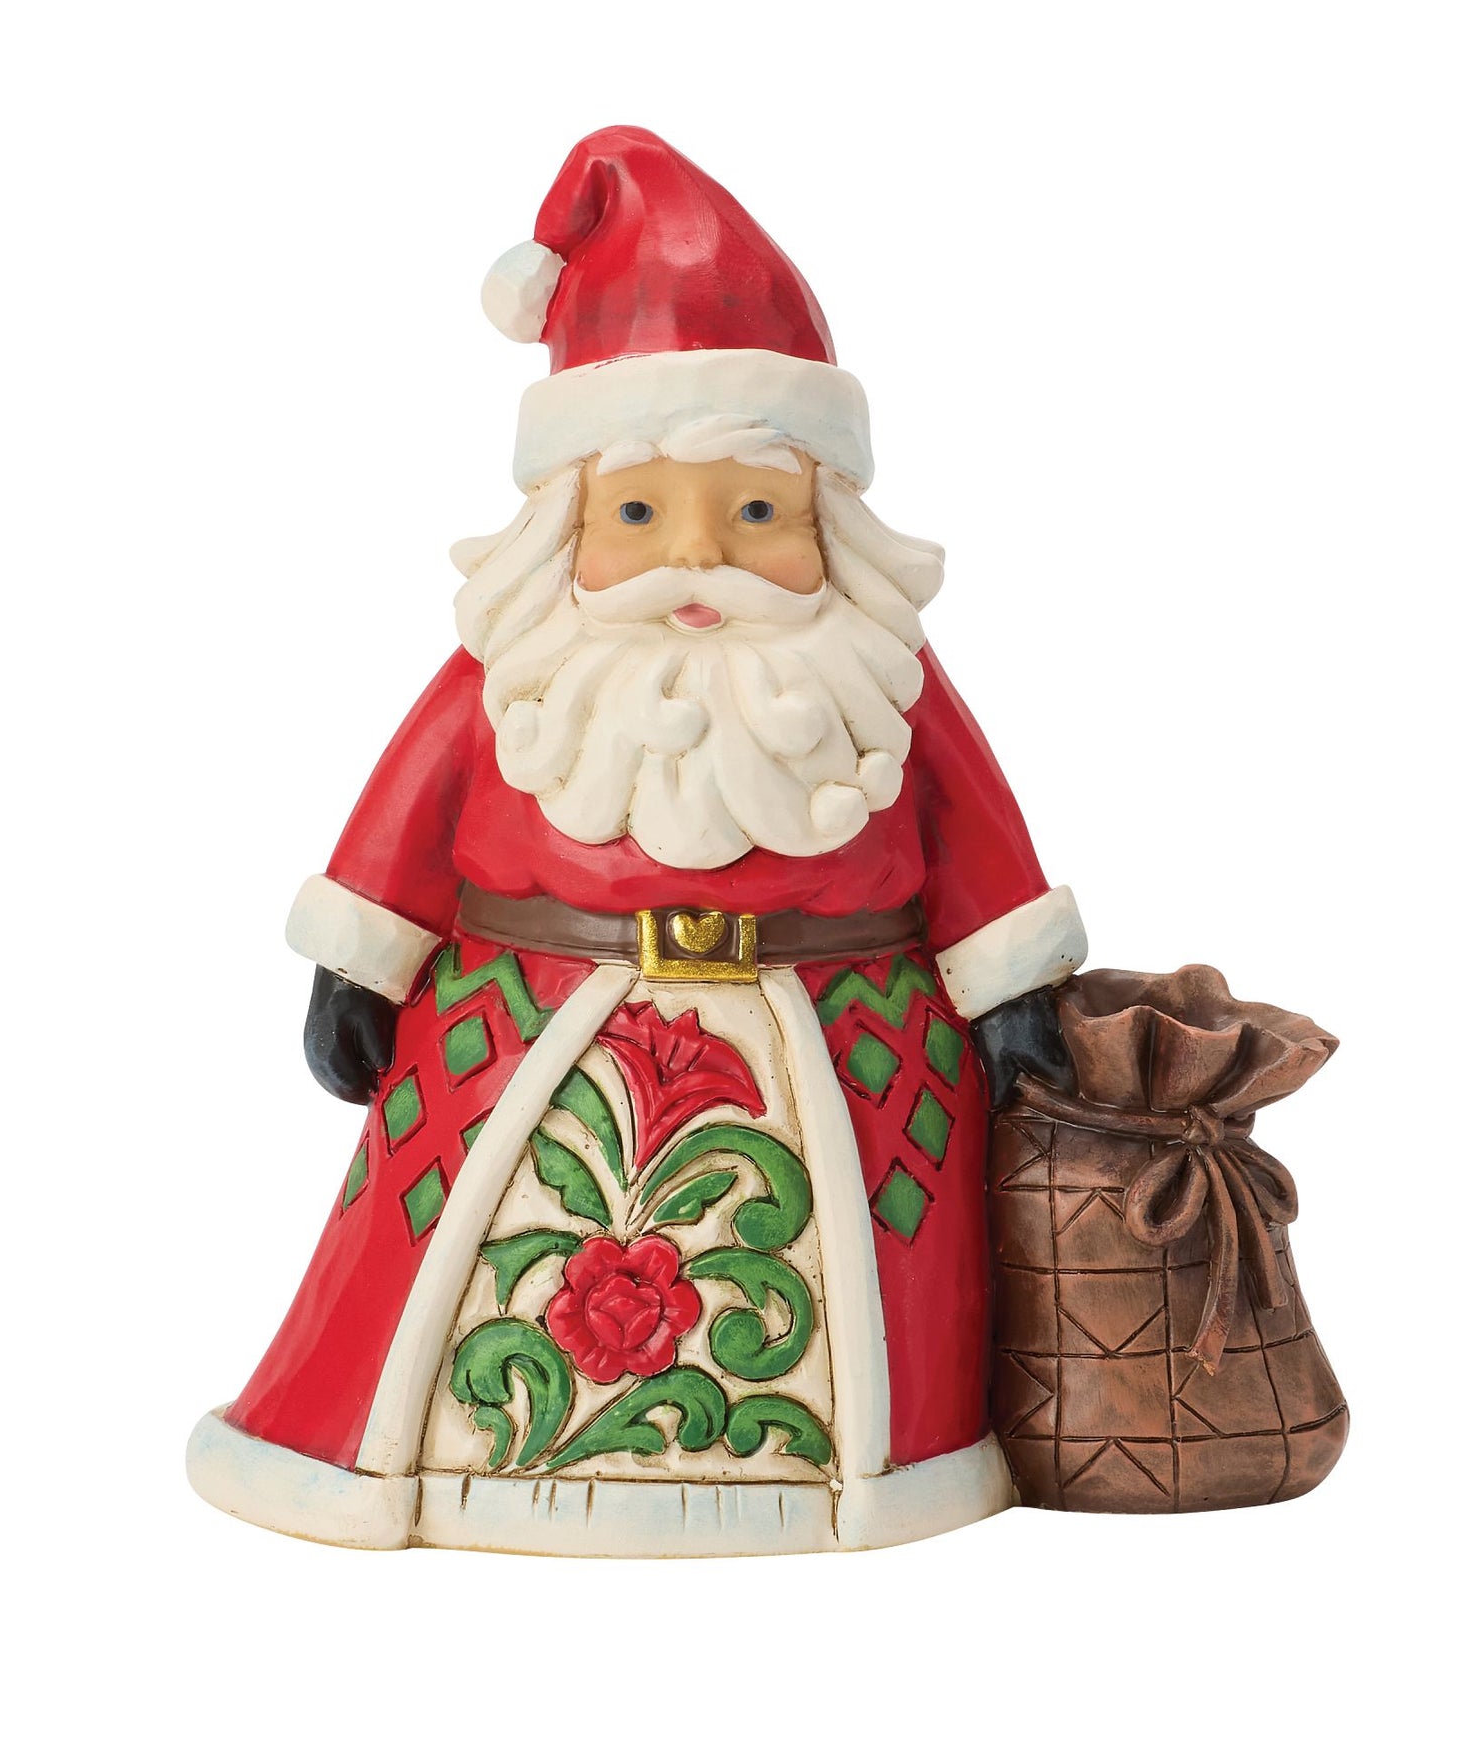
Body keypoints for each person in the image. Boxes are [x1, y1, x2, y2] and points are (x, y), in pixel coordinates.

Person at [187, 125, 1086, 1556]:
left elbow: (979, 845)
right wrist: (358, 963)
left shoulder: (878, 682)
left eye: (754, 513)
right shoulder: (512, 676)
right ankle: (425, 1463)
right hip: (521, 1029)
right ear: (569, 526)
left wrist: (1011, 990)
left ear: (827, 524)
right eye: (643, 513)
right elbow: (404, 820)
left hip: (850, 1050)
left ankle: (877, 1464)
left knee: (876, 1310)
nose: (697, 559)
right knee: (437, 1278)